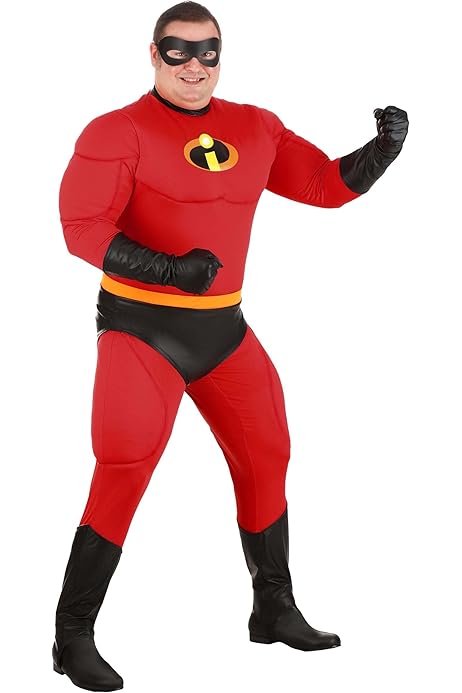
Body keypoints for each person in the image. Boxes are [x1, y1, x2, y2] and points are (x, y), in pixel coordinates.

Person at [52, 2, 409, 690]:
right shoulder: (116, 130)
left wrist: (379, 155)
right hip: (141, 328)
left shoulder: (255, 126)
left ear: (221, 55)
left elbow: (321, 185)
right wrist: (166, 269)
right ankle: (71, 635)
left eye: (208, 51)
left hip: (222, 328)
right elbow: (81, 227)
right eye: (178, 50)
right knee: (124, 463)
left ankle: (272, 608)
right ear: (153, 54)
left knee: (268, 450)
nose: (194, 65)